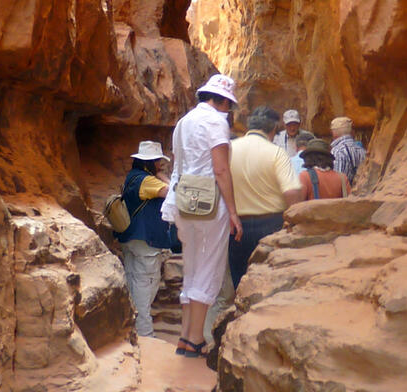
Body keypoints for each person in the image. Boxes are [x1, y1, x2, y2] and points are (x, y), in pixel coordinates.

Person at [160, 74, 242, 358]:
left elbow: (178, 165)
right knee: (209, 268)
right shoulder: (216, 122)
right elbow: (220, 170)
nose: (228, 111)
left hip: (184, 199)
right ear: (222, 101)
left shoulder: (184, 122)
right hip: (210, 201)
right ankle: (195, 340)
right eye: (228, 105)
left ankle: (184, 337)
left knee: (192, 267)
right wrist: (233, 212)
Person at [227, 107, 302, 289]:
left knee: (240, 281)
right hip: (272, 224)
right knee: (270, 282)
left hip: (236, 226)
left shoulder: (229, 150)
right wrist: (296, 221)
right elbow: (291, 191)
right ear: (273, 130)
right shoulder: (276, 152)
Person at [115, 141, 178, 338]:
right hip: (146, 242)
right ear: (150, 163)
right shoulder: (147, 181)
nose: (160, 165)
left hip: (131, 238)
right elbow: (173, 193)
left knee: (133, 281)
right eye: (158, 162)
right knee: (146, 285)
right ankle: (145, 332)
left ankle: (132, 327)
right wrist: (162, 177)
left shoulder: (132, 177)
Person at [329, 116, 366, 184]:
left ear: (334, 133)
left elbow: (336, 181)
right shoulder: (361, 150)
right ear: (351, 131)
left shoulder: (337, 151)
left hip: (344, 193)